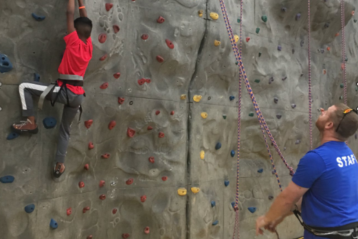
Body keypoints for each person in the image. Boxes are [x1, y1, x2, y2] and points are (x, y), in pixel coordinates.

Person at [11, 0, 93, 178]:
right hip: (78, 97)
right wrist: (81, 3)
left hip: (65, 92)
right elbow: (84, 21)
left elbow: (69, 15)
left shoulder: (73, 42)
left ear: (75, 32)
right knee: (65, 130)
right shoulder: (88, 47)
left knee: (24, 86)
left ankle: (30, 121)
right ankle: (59, 164)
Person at [256, 103, 358, 239]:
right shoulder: (348, 155)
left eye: (326, 112)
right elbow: (318, 197)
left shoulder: (317, 158)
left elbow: (288, 198)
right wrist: (281, 214)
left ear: (329, 125)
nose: (321, 111)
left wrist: (266, 218)